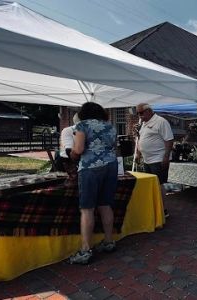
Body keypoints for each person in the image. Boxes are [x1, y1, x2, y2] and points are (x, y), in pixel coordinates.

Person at [68, 103, 118, 265]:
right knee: (105, 204)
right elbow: (113, 147)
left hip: (90, 168)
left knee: (87, 208)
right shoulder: (110, 126)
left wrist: (72, 154)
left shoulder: (82, 125)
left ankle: (85, 250)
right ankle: (109, 241)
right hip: (111, 166)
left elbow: (79, 149)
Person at [134, 103, 173, 218]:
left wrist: (166, 157)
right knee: (151, 184)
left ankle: (163, 209)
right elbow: (141, 139)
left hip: (158, 159)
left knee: (159, 184)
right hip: (147, 160)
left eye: (141, 113)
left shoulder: (161, 121)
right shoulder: (143, 123)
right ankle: (155, 208)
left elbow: (169, 140)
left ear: (149, 111)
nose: (139, 115)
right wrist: (138, 153)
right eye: (137, 113)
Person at [59, 113, 80, 186]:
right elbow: (68, 150)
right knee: (74, 182)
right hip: (68, 160)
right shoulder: (68, 130)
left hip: (80, 160)